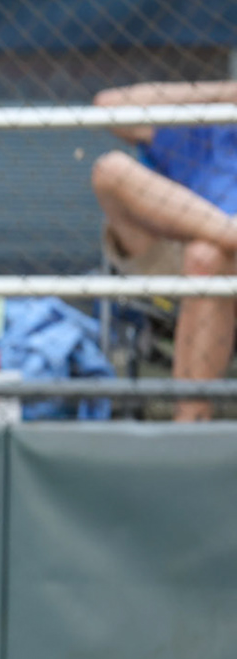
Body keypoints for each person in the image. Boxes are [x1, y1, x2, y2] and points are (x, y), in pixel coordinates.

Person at [90, 79, 237, 422]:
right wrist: (221, 94)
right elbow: (108, 104)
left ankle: (186, 431)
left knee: (206, 257)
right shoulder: (204, 126)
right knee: (110, 170)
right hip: (183, 266)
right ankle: (230, 234)